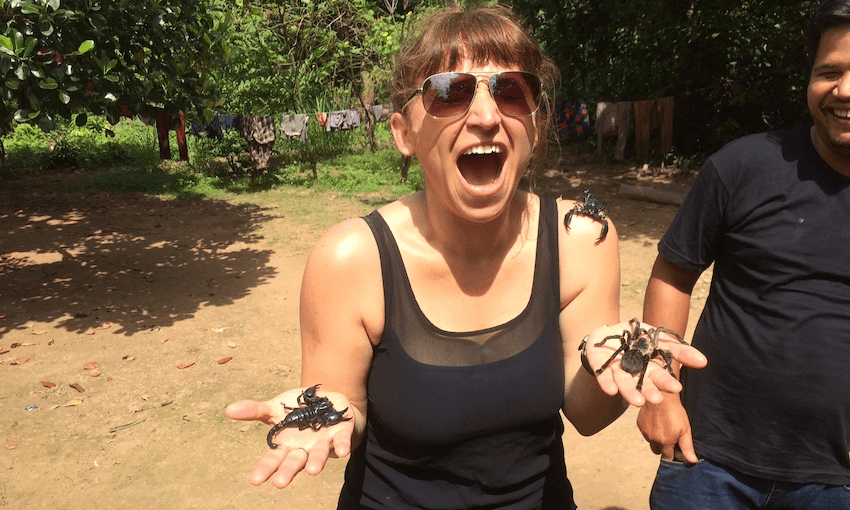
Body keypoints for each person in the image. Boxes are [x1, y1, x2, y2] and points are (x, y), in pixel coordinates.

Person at [226, 5, 704, 509]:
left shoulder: (581, 238)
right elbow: (347, 412)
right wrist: (331, 413)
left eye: (512, 91)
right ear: (403, 132)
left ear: (536, 128)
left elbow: (585, 415)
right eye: (449, 92)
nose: (485, 115)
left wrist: (603, 365)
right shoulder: (350, 259)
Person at [637, 1, 850, 508]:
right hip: (707, 463)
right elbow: (672, 274)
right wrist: (660, 391)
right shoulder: (743, 166)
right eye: (829, 72)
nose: (844, 90)